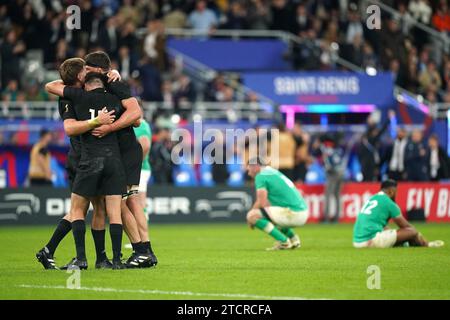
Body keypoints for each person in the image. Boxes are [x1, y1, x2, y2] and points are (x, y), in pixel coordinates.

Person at [36, 58, 113, 270]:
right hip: (80, 157)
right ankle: (78, 257)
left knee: (96, 207)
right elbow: (69, 128)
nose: (88, 71)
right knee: (80, 208)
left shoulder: (86, 92)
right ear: (79, 76)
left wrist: (113, 75)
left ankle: (97, 258)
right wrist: (96, 122)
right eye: (85, 69)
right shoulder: (68, 98)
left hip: (94, 156)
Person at [46, 72, 127, 270]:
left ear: (87, 84)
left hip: (90, 160)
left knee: (76, 210)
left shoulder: (77, 97)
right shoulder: (115, 99)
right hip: (114, 161)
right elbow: (135, 119)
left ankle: (81, 258)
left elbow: (51, 86)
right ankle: (115, 260)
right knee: (114, 213)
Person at [85, 51, 157, 267]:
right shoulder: (104, 85)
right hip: (123, 151)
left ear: (98, 70)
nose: (85, 73)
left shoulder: (115, 84)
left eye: (88, 69)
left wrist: (109, 128)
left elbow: (136, 116)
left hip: (124, 151)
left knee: (119, 202)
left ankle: (140, 250)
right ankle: (146, 251)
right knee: (131, 201)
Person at [353, 179, 444, 248]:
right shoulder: (389, 203)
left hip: (357, 242)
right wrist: (420, 237)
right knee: (412, 231)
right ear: (391, 191)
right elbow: (406, 227)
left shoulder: (372, 198)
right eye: (396, 192)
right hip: (371, 240)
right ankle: (426, 245)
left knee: (393, 232)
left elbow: (382, 226)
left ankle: (407, 243)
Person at [246, 157, 309, 251]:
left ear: (255, 166)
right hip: (303, 212)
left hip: (293, 212)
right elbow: (266, 204)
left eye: (249, 169)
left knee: (252, 215)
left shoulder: (261, 175)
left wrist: (250, 219)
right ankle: (294, 239)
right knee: (268, 214)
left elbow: (261, 202)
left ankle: (283, 241)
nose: (248, 173)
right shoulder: (271, 171)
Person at [133, 114, 152, 217]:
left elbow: (145, 145)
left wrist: (136, 164)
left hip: (140, 169)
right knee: (137, 201)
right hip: (140, 168)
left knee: (139, 201)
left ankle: (143, 231)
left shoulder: (141, 125)